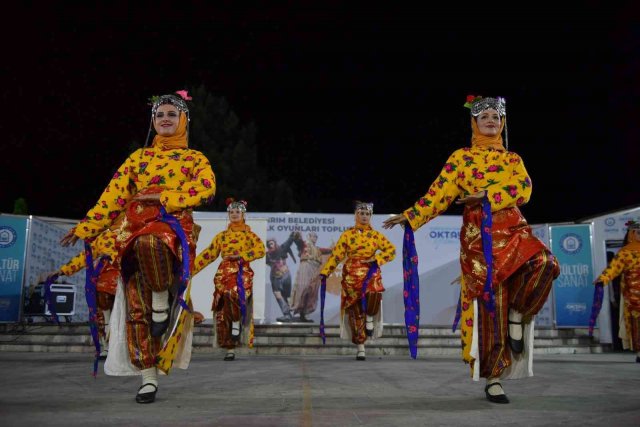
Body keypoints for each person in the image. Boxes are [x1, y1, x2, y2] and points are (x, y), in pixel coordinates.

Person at [383, 95, 560, 404]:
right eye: (484, 116)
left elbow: (524, 188)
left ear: (502, 123)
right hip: (480, 237)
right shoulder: (461, 158)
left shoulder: (512, 159)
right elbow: (439, 192)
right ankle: (494, 379)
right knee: (491, 306)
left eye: (495, 115)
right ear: (474, 123)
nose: (490, 119)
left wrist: (486, 194)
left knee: (546, 262)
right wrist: (412, 215)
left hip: (514, 228)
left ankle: (520, 312)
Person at [60, 90, 216, 404]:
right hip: (133, 231)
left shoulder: (194, 158)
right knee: (135, 308)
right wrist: (86, 227)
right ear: (152, 122)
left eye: (172, 114)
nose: (165, 119)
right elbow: (112, 196)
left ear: (184, 120)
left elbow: (207, 188)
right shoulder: (138, 159)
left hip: (172, 232)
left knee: (150, 242)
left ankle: (162, 297)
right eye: (159, 115)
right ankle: (148, 378)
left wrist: (162, 198)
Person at [319, 201, 396, 360]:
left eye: (367, 214)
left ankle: (370, 317)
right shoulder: (347, 235)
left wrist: (376, 260)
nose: (364, 216)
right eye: (361, 213)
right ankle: (361, 347)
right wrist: (326, 272)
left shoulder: (376, 235)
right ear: (356, 215)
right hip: (351, 275)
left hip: (370, 271)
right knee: (355, 312)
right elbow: (337, 256)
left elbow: (391, 250)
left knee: (375, 290)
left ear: (370, 216)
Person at [192, 198, 266, 361]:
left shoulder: (250, 235)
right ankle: (229, 347)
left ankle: (236, 323)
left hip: (242, 272)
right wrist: (190, 270)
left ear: (243, 214)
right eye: (231, 212)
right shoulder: (222, 236)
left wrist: (241, 255)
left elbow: (260, 250)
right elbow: (209, 254)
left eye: (237, 212)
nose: (234, 214)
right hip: (223, 272)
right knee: (222, 307)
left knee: (234, 293)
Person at [52, 217, 123, 360]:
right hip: (104, 275)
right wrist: (62, 270)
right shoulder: (102, 236)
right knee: (102, 309)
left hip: (126, 274)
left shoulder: (133, 228)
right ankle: (107, 346)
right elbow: (86, 257)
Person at [594, 220, 640, 363]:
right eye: (638, 232)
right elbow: (614, 268)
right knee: (635, 324)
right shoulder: (625, 252)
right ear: (632, 234)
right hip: (632, 295)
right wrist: (603, 279)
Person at [290, 231, 332, 322]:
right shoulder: (304, 245)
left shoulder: (318, 249)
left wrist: (341, 247)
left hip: (315, 268)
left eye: (316, 236)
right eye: (313, 236)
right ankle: (298, 308)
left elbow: (329, 250)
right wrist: (297, 236)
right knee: (303, 288)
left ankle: (304, 314)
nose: (315, 238)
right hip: (306, 265)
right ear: (309, 237)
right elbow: (298, 241)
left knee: (312, 290)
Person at [266, 233, 298, 322]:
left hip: (285, 275)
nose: (270, 245)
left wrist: (292, 235)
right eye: (268, 244)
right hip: (275, 277)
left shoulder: (281, 248)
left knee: (285, 295)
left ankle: (289, 312)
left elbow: (289, 241)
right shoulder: (267, 255)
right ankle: (287, 314)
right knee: (279, 295)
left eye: (271, 243)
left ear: (275, 243)